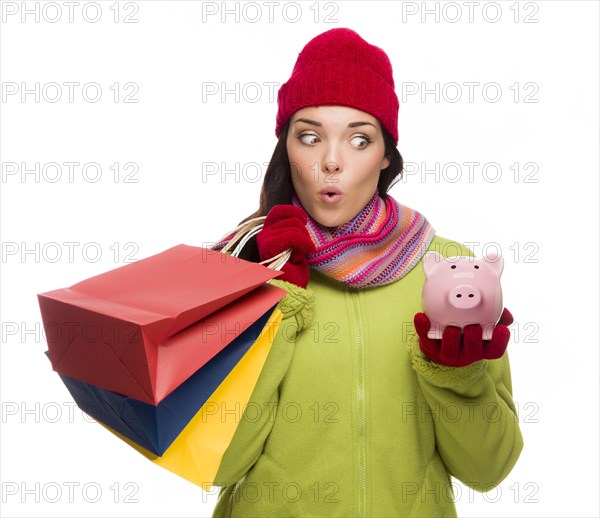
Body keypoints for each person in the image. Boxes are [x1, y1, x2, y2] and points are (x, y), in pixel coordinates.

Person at [209, 27, 523, 518]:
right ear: (286, 150)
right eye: (310, 137)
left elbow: (488, 470)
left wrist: (458, 377)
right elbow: (220, 465)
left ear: (386, 156)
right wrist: (272, 303)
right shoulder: (246, 264)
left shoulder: (449, 273)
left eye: (359, 139)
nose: (331, 162)